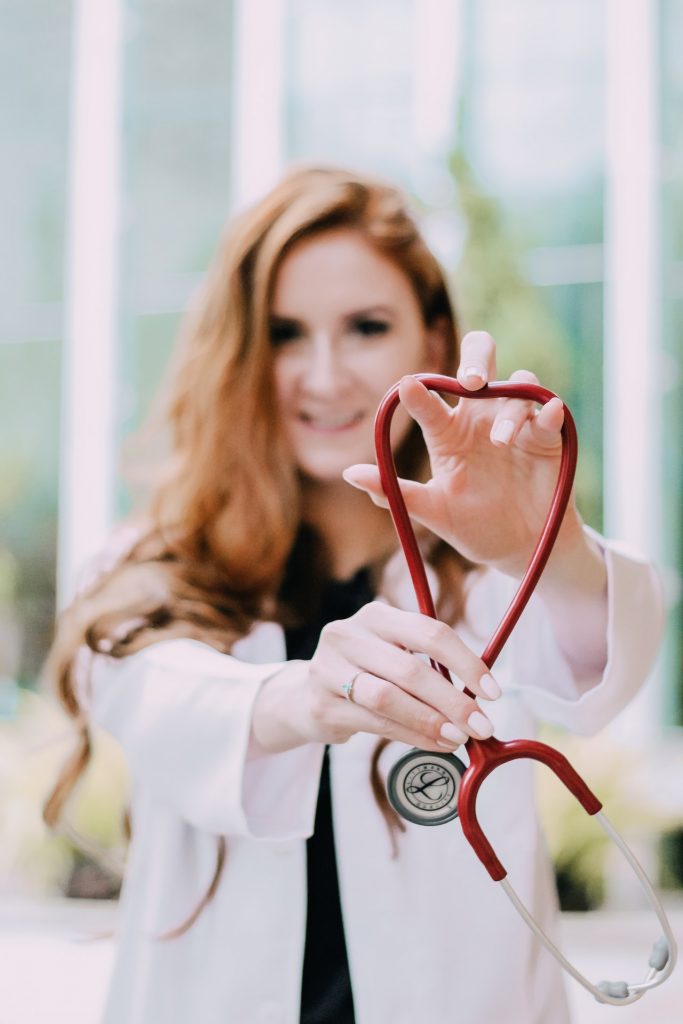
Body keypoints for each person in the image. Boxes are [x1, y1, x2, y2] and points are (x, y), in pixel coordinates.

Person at [45, 165, 663, 1024]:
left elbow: (603, 663)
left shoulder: (483, 586)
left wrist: (543, 545)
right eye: (284, 333)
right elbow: (162, 705)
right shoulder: (148, 571)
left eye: (366, 328)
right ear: (237, 353)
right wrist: (308, 695)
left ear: (431, 340)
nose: (324, 375)